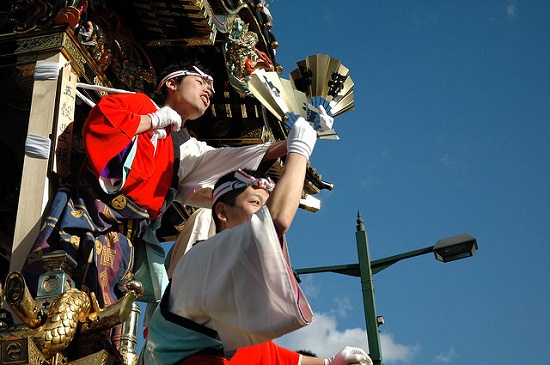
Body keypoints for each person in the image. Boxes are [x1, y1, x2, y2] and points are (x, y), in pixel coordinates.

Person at [22, 60, 289, 307]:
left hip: (125, 235)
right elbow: (101, 126)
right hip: (90, 211)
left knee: (102, 309)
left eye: (211, 87)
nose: (209, 89)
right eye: (201, 81)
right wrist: (151, 120)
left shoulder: (187, 148)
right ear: (171, 84)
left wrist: (292, 145)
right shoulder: (138, 104)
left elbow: (226, 161)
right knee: (59, 286)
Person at [139, 117, 372, 365]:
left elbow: (273, 357)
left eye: (264, 204)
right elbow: (276, 221)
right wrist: (300, 149)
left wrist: (330, 363)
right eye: (255, 204)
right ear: (222, 212)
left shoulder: (228, 296)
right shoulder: (203, 257)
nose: (262, 211)